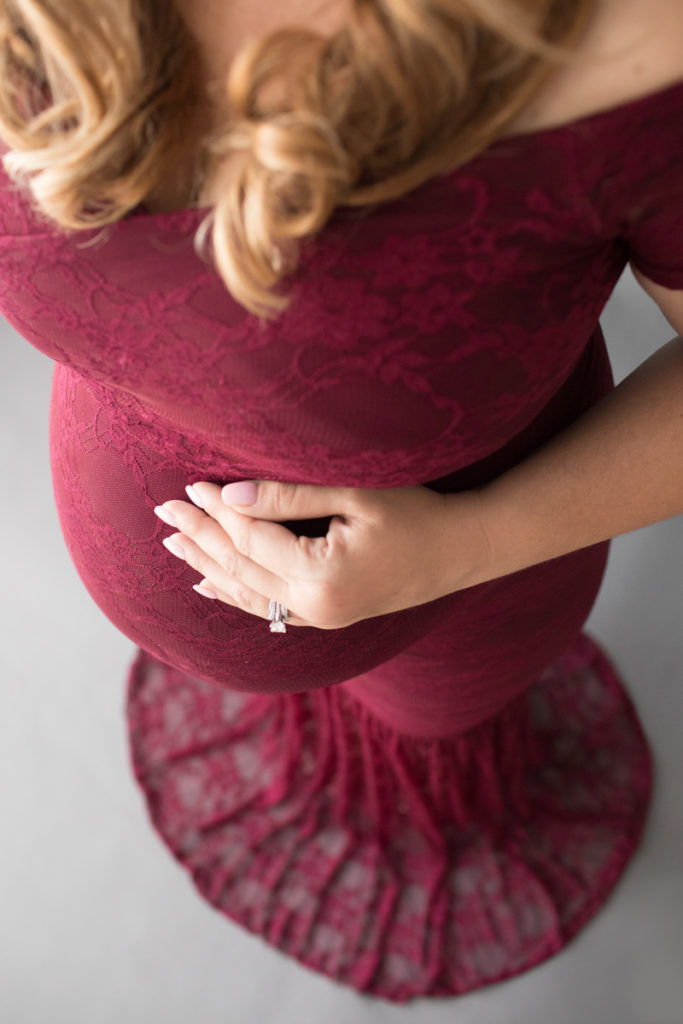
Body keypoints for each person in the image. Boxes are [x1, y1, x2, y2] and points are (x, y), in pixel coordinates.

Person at [0, 0, 681, 1003]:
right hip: (169, 565)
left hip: (465, 585)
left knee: (430, 751)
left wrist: (456, 549)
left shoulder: (637, 43)